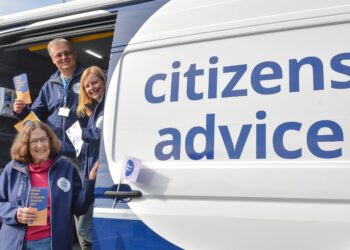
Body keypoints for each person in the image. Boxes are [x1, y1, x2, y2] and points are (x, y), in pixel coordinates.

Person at [0, 120, 99, 250]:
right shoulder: (12, 169)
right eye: (34, 141)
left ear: (50, 141)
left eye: (43, 140)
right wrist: (15, 213)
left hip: (50, 243)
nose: (40, 145)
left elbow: (79, 208)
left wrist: (90, 181)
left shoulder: (67, 169)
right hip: (15, 243)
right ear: (26, 145)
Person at [13, 37, 86, 158]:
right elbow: (36, 115)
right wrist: (21, 111)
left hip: (82, 152)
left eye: (67, 53)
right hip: (54, 151)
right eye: (58, 55)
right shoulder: (49, 85)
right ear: (53, 60)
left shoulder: (89, 78)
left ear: (75, 54)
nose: (64, 57)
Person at [75, 65, 106, 247]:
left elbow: (102, 136)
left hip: (100, 173)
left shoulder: (108, 105)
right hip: (91, 173)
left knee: (85, 228)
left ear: (103, 81)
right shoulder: (95, 108)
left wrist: (84, 133)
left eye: (95, 82)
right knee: (85, 227)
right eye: (87, 86)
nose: (91, 88)